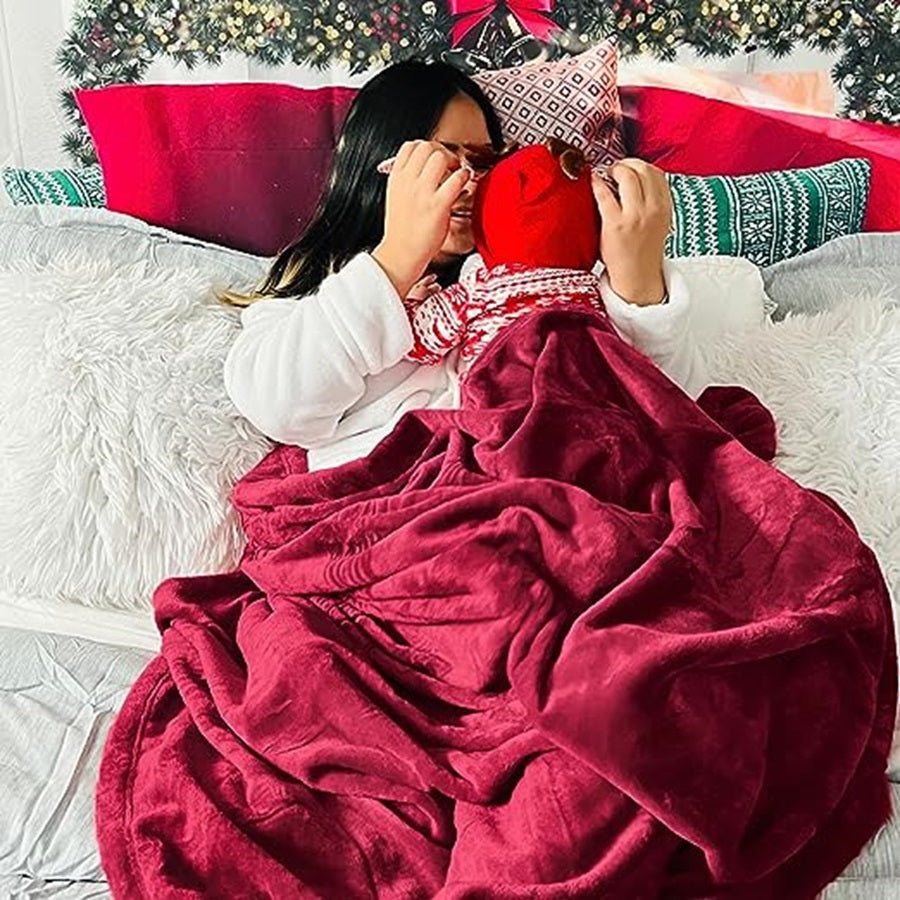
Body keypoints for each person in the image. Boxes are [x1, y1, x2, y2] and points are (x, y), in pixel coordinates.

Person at [222, 58, 759, 471]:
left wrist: (639, 287)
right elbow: (279, 406)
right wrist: (396, 259)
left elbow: (669, 412)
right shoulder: (322, 296)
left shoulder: (542, 286)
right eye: (437, 159)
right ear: (377, 168)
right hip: (405, 519)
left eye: (483, 161)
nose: (467, 181)